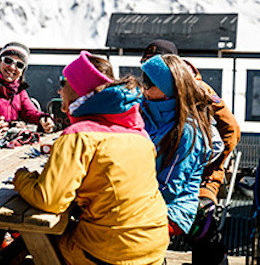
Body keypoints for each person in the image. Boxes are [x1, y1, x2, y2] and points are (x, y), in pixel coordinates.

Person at [13, 51, 169, 264]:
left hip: (112, 250)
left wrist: (22, 178)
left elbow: (49, 199)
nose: (59, 89)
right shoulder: (138, 132)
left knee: (32, 245)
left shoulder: (79, 135)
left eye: (63, 82)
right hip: (154, 244)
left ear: (77, 90)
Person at [141, 39, 241, 206]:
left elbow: (231, 129)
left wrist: (210, 169)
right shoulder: (150, 89)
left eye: (154, 60)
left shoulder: (198, 88)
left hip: (194, 174)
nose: (148, 66)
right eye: (145, 61)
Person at [140, 54, 215, 236]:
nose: (143, 87)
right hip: (144, 197)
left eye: (148, 82)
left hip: (173, 209)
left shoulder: (187, 131)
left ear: (167, 89)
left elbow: (171, 187)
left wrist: (132, 202)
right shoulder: (146, 111)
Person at [0, 42, 54, 133]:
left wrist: (43, 119)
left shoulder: (18, 90)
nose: (12, 67)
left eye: (19, 65)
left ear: (22, 71)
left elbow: (30, 112)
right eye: (8, 60)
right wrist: (11, 125)